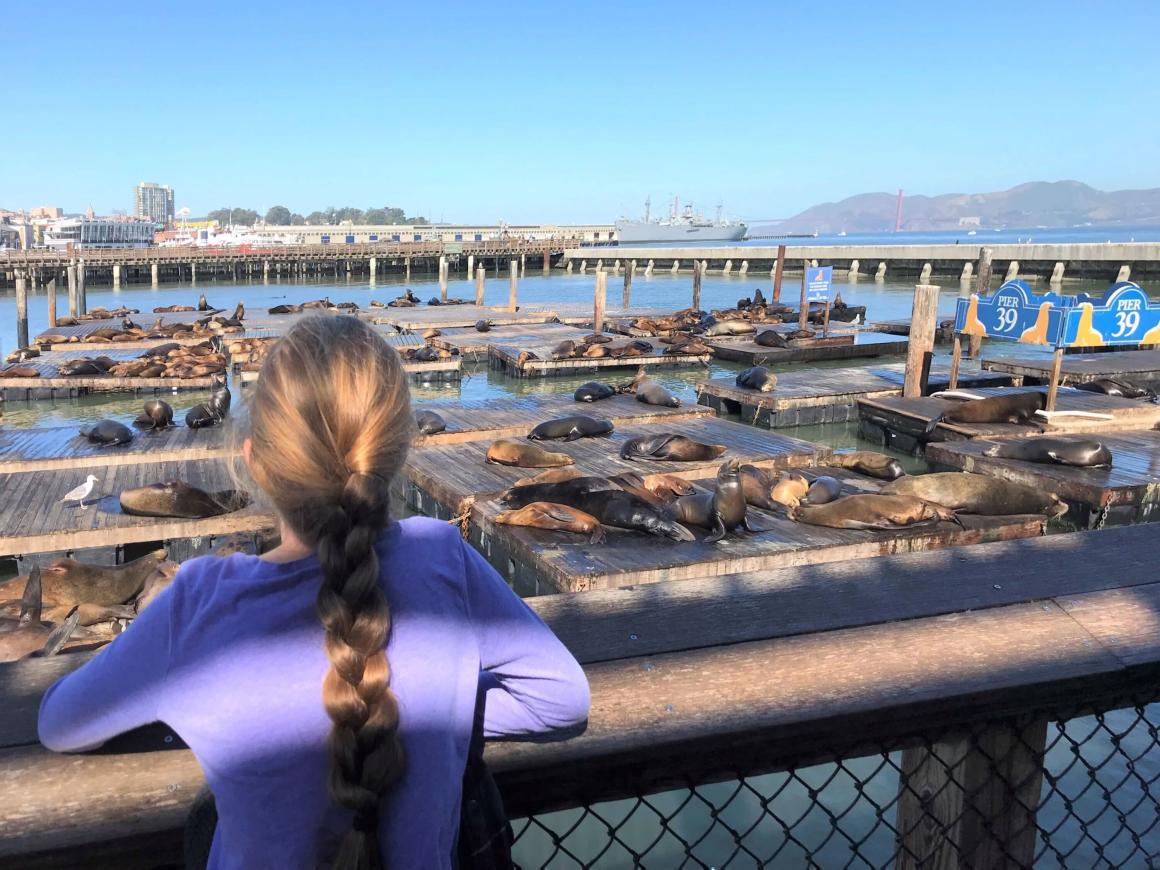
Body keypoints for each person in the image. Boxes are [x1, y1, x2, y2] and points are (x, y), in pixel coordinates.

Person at [38, 315, 590, 870]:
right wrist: (429, 704)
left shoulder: (201, 602)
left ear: (255, 461)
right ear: (396, 456)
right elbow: (561, 700)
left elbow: (61, 724)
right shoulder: (443, 556)